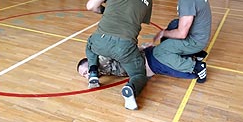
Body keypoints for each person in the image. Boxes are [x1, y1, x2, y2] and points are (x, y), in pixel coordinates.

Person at [85, 0, 152, 110]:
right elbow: (137, 19)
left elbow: (91, 6)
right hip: (125, 47)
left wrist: (105, 10)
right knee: (139, 74)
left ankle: (93, 73)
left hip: (100, 41)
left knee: (90, 44)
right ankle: (130, 89)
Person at [153, 0, 212, 83]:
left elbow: (181, 34)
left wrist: (163, 33)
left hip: (196, 40)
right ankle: (194, 52)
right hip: (202, 33)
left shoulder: (187, 0)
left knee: (159, 52)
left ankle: (196, 67)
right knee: (173, 25)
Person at [77, 44, 207, 81]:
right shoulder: (101, 70)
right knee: (173, 64)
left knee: (183, 72)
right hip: (146, 64)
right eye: (84, 76)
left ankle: (197, 64)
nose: (87, 76)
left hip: (147, 59)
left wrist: (142, 48)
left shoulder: (101, 60)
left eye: (86, 72)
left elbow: (121, 48)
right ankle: (195, 55)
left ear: (90, 62)